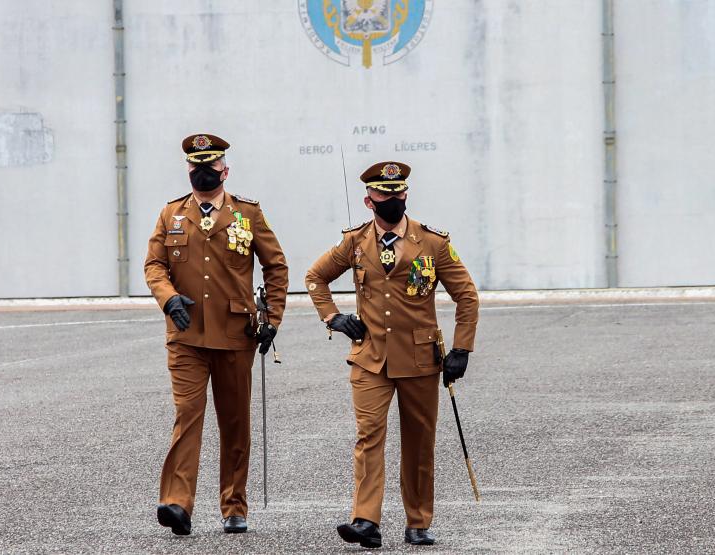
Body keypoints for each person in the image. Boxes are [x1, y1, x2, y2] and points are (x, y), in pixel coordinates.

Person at [304, 161, 479, 548]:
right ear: (369, 201)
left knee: (419, 442)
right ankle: (366, 520)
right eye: (384, 194)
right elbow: (315, 277)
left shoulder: (432, 242)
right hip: (370, 357)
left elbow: (466, 295)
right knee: (368, 437)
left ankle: (418, 521)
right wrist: (333, 317)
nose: (393, 199)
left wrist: (462, 348)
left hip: (419, 359)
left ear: (406, 194)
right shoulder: (354, 242)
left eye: (399, 192)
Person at [144, 133, 288, 535]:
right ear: (188, 170)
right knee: (187, 415)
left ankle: (234, 505)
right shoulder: (171, 214)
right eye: (197, 166)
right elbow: (154, 265)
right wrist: (168, 298)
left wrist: (272, 317)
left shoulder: (248, 214)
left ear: (225, 170)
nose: (204, 171)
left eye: (211, 165)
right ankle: (177, 503)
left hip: (235, 335)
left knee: (235, 422)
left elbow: (276, 266)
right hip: (186, 335)